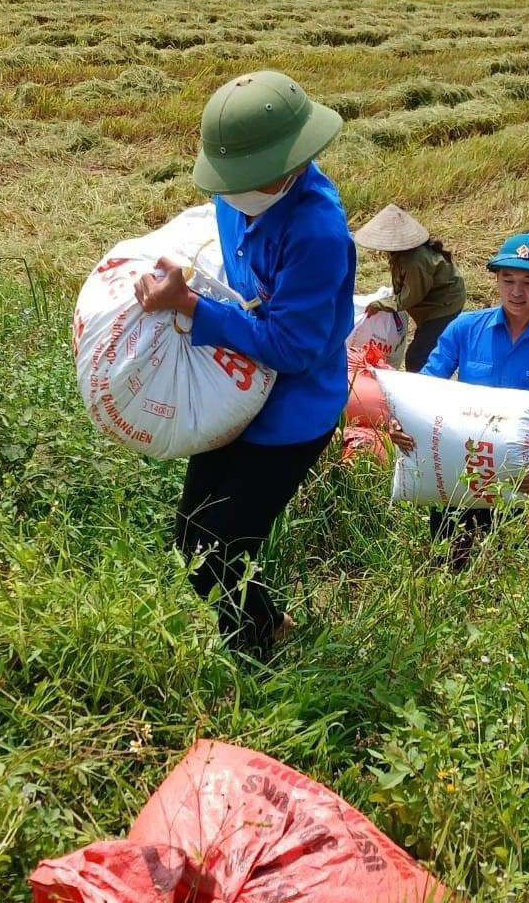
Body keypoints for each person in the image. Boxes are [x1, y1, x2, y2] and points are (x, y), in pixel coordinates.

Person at [134, 71, 355, 655]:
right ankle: (263, 626)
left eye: (247, 182)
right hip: (231, 391)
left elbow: (292, 346)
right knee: (192, 536)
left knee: (223, 546)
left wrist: (189, 305)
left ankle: (262, 644)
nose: (232, 195)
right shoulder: (236, 191)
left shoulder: (317, 231)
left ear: (291, 163)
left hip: (289, 417)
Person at [389, 231, 529, 569]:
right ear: (497, 279)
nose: (517, 291)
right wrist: (401, 421)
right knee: (449, 559)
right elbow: (425, 386)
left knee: (505, 566)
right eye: (507, 279)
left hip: (519, 472)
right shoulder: (465, 328)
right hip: (458, 464)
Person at [352, 205, 466, 372]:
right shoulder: (400, 255)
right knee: (426, 346)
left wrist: (381, 304)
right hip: (429, 304)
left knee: (417, 358)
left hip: (444, 306)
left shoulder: (415, 261)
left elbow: (411, 297)